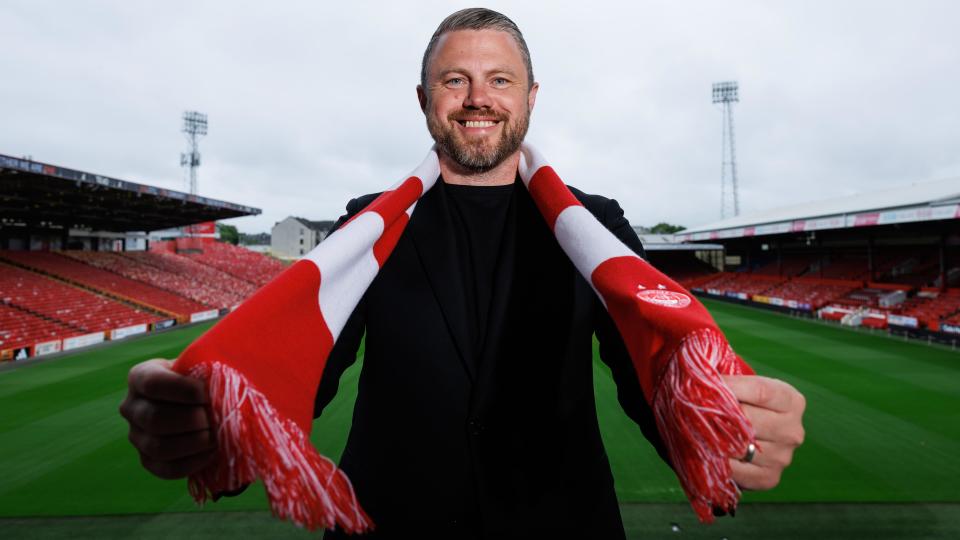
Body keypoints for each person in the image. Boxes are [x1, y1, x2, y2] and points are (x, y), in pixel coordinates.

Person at [120, 8, 805, 539]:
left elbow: (646, 379)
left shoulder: (594, 228)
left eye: (499, 80)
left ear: (531, 96)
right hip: (388, 525)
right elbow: (305, 371)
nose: (479, 98)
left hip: (560, 525)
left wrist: (728, 435)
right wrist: (205, 426)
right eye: (457, 80)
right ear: (424, 99)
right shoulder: (368, 225)